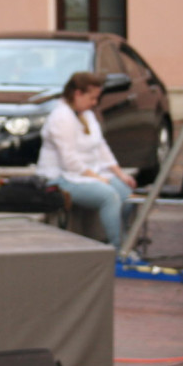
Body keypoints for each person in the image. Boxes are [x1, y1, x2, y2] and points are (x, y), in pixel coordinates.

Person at [36, 71, 136, 252]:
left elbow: (100, 147)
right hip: (62, 178)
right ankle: (118, 249)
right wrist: (98, 178)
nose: (95, 103)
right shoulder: (61, 116)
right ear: (77, 94)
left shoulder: (85, 114)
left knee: (126, 195)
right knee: (109, 197)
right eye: (92, 98)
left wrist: (120, 174)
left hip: (89, 174)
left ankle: (126, 242)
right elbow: (69, 160)